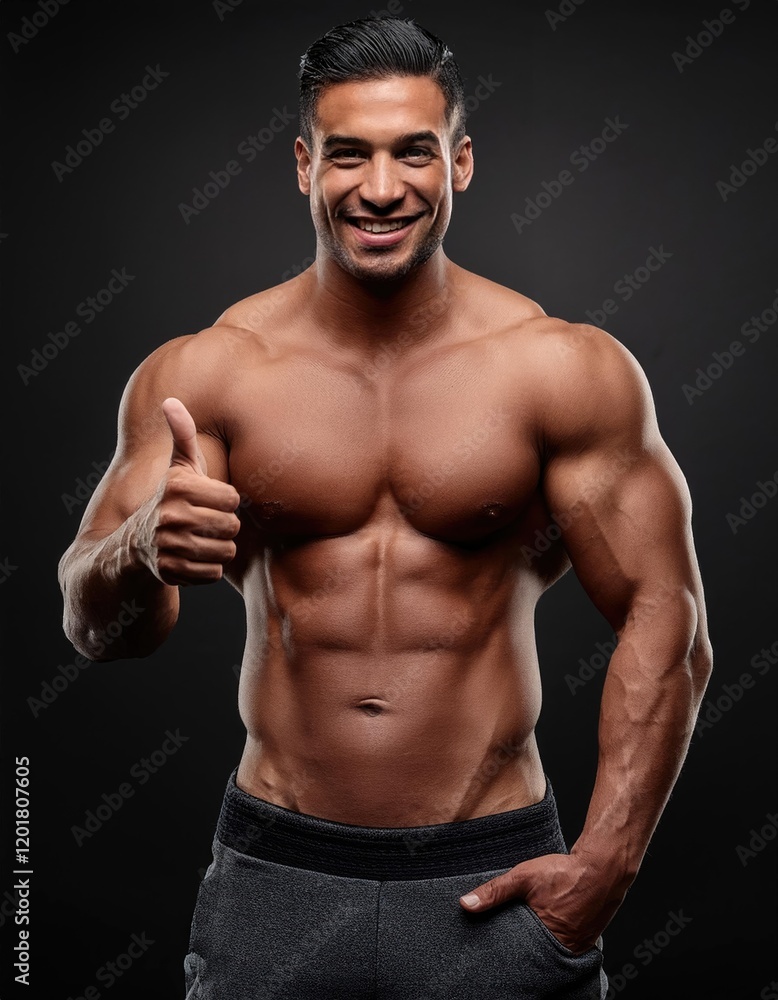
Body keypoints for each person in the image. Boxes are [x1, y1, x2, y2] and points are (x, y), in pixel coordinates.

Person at [58, 15, 713, 1000]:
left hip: (493, 874)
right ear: (300, 164)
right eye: (346, 154)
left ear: (460, 161)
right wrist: (137, 553)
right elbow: (95, 628)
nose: (378, 188)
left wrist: (604, 865)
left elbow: (669, 619)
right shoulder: (210, 371)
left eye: (412, 152)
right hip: (277, 875)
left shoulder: (562, 370)